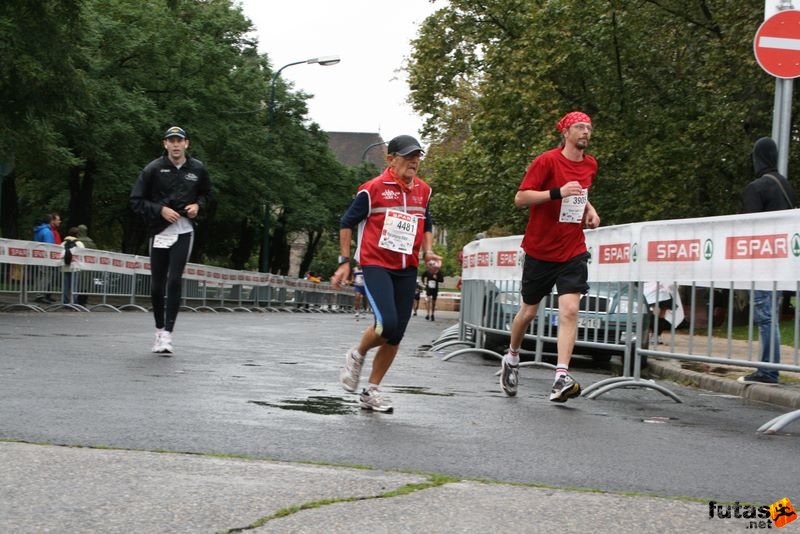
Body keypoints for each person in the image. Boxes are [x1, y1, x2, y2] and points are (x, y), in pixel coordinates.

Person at [331, 134, 442, 413]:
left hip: (407, 267)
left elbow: (426, 222)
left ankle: (372, 391)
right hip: (376, 263)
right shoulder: (372, 189)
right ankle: (357, 354)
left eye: (417, 156)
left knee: (396, 335)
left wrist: (428, 252)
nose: (414, 161)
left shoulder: (424, 191)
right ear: (390, 159)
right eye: (407, 156)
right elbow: (346, 222)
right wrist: (345, 261)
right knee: (386, 324)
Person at [501, 111, 601, 403]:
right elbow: (521, 198)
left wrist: (589, 210)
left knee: (570, 310)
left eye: (589, 128)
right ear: (566, 133)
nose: (585, 132)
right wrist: (556, 192)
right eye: (579, 127)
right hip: (540, 249)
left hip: (572, 248)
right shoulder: (547, 161)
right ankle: (512, 356)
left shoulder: (590, 164)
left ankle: (561, 376)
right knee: (528, 312)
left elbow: (580, 193)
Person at [130, 126, 211, 355]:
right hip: (160, 231)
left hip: (184, 231)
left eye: (179, 140)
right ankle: (158, 329)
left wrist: (198, 206)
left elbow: (206, 194)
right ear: (164, 144)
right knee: (157, 285)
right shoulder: (153, 169)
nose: (175, 145)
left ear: (187, 143)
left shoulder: (197, 169)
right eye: (171, 141)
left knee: (174, 280)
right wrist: (160, 210)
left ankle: (168, 335)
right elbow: (136, 200)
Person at [737, 137, 796, 386]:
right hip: (782, 264)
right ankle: (770, 366)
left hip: (763, 262)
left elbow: (748, 226)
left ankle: (768, 371)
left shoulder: (757, 187)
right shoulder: (786, 186)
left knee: (765, 316)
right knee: (771, 315)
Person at [32, 215, 56, 304]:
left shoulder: (38, 230)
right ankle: (40, 295)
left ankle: (37, 294)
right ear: (50, 221)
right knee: (46, 276)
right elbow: (49, 246)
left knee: (40, 276)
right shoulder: (47, 231)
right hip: (46, 258)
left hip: (38, 256)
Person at [61, 227, 84, 304]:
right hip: (75, 266)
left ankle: (65, 301)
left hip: (65, 266)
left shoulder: (63, 243)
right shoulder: (79, 243)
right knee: (74, 285)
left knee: (65, 285)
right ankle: (73, 301)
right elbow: (83, 254)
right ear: (77, 234)